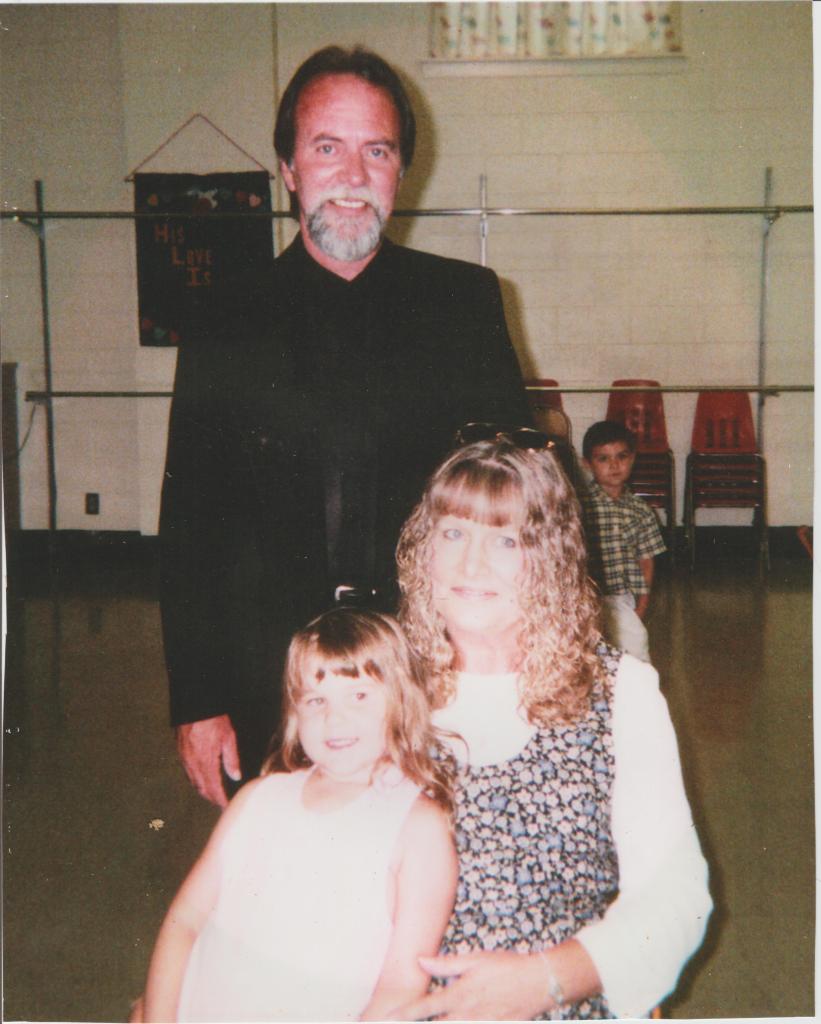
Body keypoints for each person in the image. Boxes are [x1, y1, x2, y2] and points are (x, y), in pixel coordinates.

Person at [159, 45, 532, 806]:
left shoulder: (462, 305)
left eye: (377, 151)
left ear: (402, 172)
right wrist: (197, 700)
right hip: (272, 689)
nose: (353, 175)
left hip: (434, 682)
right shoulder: (225, 319)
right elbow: (191, 524)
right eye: (327, 148)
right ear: (290, 169)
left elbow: (518, 512)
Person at [393, 429, 711, 1020]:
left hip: (564, 1001)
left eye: (505, 540)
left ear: (550, 558)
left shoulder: (620, 691)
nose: (470, 564)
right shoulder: (375, 690)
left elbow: (677, 898)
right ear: (423, 548)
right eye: (453, 533)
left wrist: (550, 979)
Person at [136, 609, 458, 1022]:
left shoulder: (418, 829)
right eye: (316, 700)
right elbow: (184, 921)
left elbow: (401, 986)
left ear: (402, 702)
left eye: (359, 696)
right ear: (295, 712)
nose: (334, 718)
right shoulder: (257, 799)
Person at [579, 420, 667, 663]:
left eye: (622, 456)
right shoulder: (579, 506)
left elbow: (646, 561)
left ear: (633, 458)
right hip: (587, 599)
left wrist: (642, 604)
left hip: (624, 599)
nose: (614, 465)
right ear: (587, 463)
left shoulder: (642, 511)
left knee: (634, 653)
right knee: (588, 659)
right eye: (603, 459)